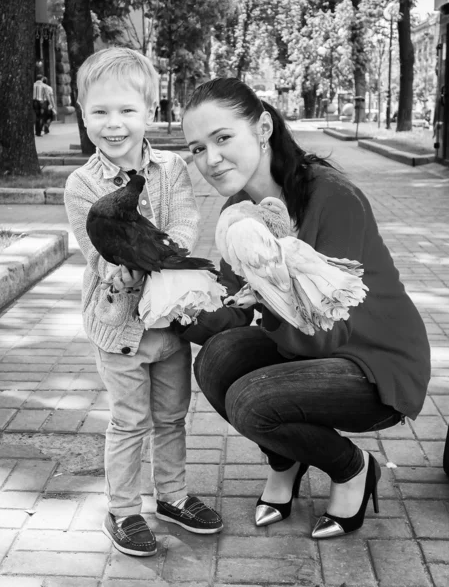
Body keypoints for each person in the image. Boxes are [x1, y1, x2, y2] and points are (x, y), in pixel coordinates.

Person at [180, 77, 431, 539]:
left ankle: (353, 469)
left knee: (250, 401)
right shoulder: (239, 210)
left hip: (375, 363)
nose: (210, 160)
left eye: (222, 138)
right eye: (197, 148)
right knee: (216, 362)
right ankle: (285, 463)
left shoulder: (332, 198)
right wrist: (176, 301)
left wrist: (268, 302)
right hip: (310, 353)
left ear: (262, 128)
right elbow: (231, 313)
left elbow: (326, 332)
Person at [64, 48, 223, 558]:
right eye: (101, 112)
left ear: (150, 111)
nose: (115, 124)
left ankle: (172, 496)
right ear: (83, 114)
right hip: (119, 328)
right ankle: (124, 509)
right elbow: (98, 252)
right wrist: (136, 262)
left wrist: (168, 255)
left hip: (171, 325)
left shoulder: (171, 167)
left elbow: (184, 221)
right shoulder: (82, 184)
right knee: (129, 420)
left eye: (127, 110)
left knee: (173, 415)